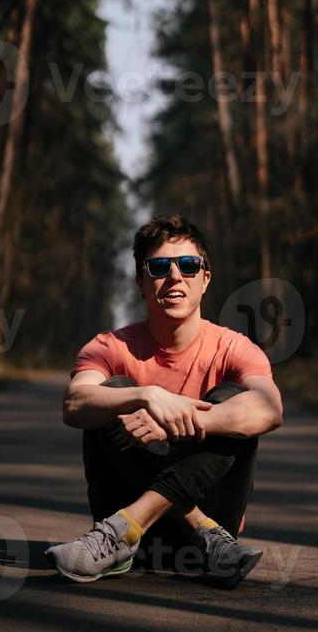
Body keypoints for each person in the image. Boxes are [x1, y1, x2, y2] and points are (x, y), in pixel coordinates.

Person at [45, 214, 283, 589]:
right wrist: (146, 397)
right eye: (159, 267)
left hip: (202, 537)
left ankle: (132, 526)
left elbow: (270, 408)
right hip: (144, 546)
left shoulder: (233, 348)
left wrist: (185, 420)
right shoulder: (109, 347)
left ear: (205, 278)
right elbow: (74, 404)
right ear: (141, 281)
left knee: (233, 400)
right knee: (114, 391)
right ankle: (167, 529)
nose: (175, 276)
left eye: (188, 265)